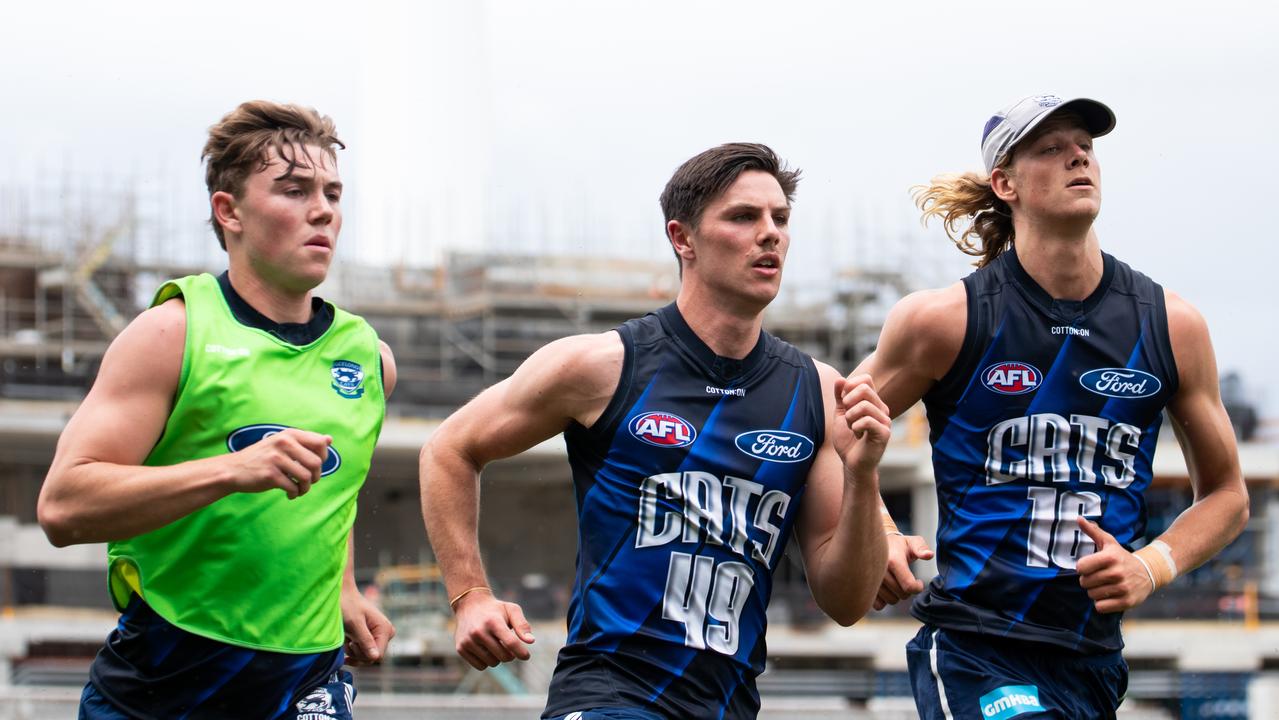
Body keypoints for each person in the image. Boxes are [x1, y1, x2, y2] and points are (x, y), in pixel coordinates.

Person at [420, 143, 890, 719]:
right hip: (608, 693)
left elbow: (845, 602)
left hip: (728, 704)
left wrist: (864, 475)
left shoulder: (814, 392)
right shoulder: (602, 366)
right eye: (744, 217)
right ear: (682, 238)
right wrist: (470, 596)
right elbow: (449, 447)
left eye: (781, 218)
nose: (770, 234)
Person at [865, 94, 1249, 718]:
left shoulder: (1170, 325)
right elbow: (826, 427)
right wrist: (877, 531)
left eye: (1086, 147)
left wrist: (1152, 565)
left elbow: (1228, 495)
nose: (1078, 156)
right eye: (1051, 148)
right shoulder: (945, 320)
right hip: (975, 644)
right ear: (1004, 184)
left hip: (1092, 659)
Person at [37, 100, 396, 720]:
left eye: (333, 194)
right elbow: (63, 507)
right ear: (229, 212)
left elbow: (336, 491)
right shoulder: (171, 333)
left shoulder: (370, 359)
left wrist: (342, 587)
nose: (323, 211)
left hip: (307, 675)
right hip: (170, 672)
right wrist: (232, 470)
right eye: (294, 190)